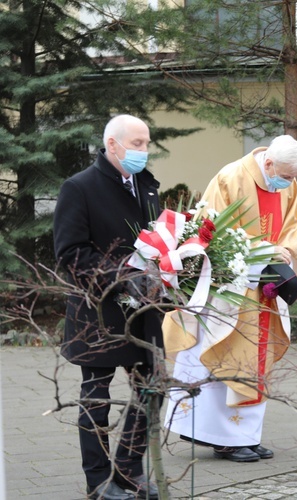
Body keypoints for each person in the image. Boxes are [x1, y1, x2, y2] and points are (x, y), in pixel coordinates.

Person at [163, 134, 297, 462]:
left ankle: (246, 434)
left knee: (256, 360)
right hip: (230, 288)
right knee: (223, 353)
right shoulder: (231, 178)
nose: (289, 184)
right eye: (285, 176)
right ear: (268, 163)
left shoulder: (289, 183)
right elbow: (213, 231)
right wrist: (263, 251)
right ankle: (222, 437)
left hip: (265, 287)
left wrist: (283, 254)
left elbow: (294, 228)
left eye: (294, 177)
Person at [53, 114, 162, 500]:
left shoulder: (147, 187)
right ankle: (98, 482)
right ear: (112, 145)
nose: (143, 151)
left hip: (144, 313)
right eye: (136, 144)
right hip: (98, 312)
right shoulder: (79, 187)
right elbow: (71, 253)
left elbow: (158, 242)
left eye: (147, 143)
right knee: (97, 395)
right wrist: (123, 278)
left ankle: (129, 473)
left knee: (151, 388)